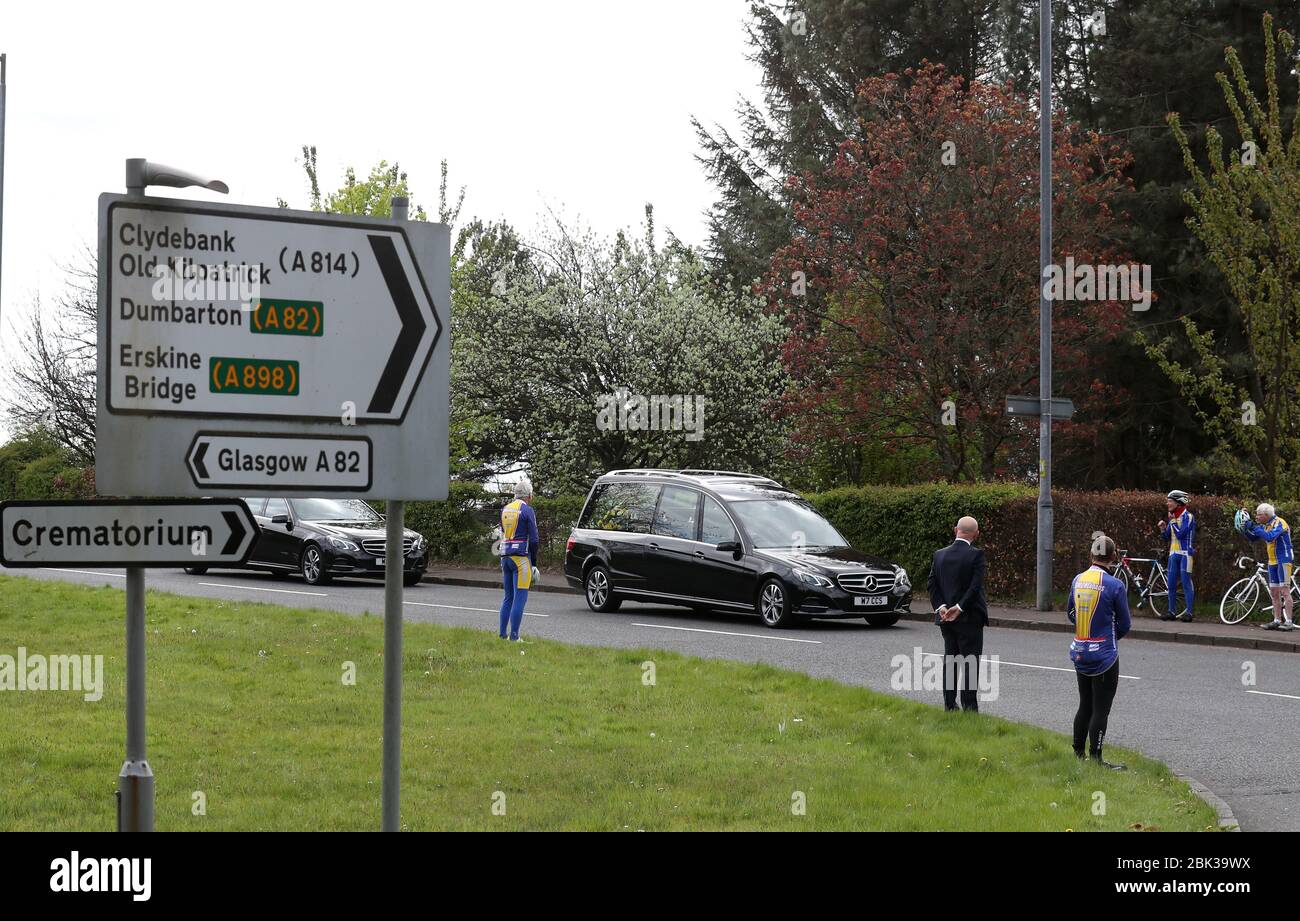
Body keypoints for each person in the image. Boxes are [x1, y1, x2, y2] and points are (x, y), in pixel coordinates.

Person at [1066, 533, 1131, 770]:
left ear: (1091, 554)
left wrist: (1086, 628)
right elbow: (1125, 623)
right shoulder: (1115, 585)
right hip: (1104, 655)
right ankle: (1096, 757)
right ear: (1113, 557)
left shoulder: (1077, 580)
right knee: (1101, 708)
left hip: (1080, 650)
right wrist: (1108, 636)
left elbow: (1071, 613)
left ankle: (1077, 752)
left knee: (1085, 704)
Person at [927, 516, 988, 712]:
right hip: (969, 618)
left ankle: (949, 705)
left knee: (950, 660)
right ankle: (969, 707)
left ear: (955, 530)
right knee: (970, 662)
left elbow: (932, 584)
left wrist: (942, 607)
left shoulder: (939, 555)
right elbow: (975, 587)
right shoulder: (976, 555)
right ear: (976, 535)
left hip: (945, 618)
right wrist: (959, 608)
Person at [1242, 502, 1295, 632]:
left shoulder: (1279, 523)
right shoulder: (1266, 525)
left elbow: (1270, 537)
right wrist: (1245, 529)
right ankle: (1277, 620)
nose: (1256, 517)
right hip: (1272, 561)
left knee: (1284, 590)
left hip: (1284, 559)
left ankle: (1289, 622)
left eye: (1258, 514)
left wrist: (1254, 527)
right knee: (1274, 592)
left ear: (1266, 515)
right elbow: (1254, 538)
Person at [498, 479, 540, 642]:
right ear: (529, 495)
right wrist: (534, 562)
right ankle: (514, 637)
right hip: (521, 559)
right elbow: (534, 540)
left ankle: (502, 634)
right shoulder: (527, 510)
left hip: (505, 557)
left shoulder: (505, 509)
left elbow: (502, 533)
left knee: (508, 597)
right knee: (520, 598)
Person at [1156, 489, 1196, 622]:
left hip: (1185, 554)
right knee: (1171, 584)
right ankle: (1171, 611)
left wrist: (1172, 522)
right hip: (1173, 554)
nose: (1168, 504)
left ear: (1179, 503)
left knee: (1186, 583)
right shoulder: (1174, 518)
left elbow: (1181, 534)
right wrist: (1163, 528)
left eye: (1170, 501)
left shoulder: (1188, 517)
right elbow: (1167, 537)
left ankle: (1189, 613)